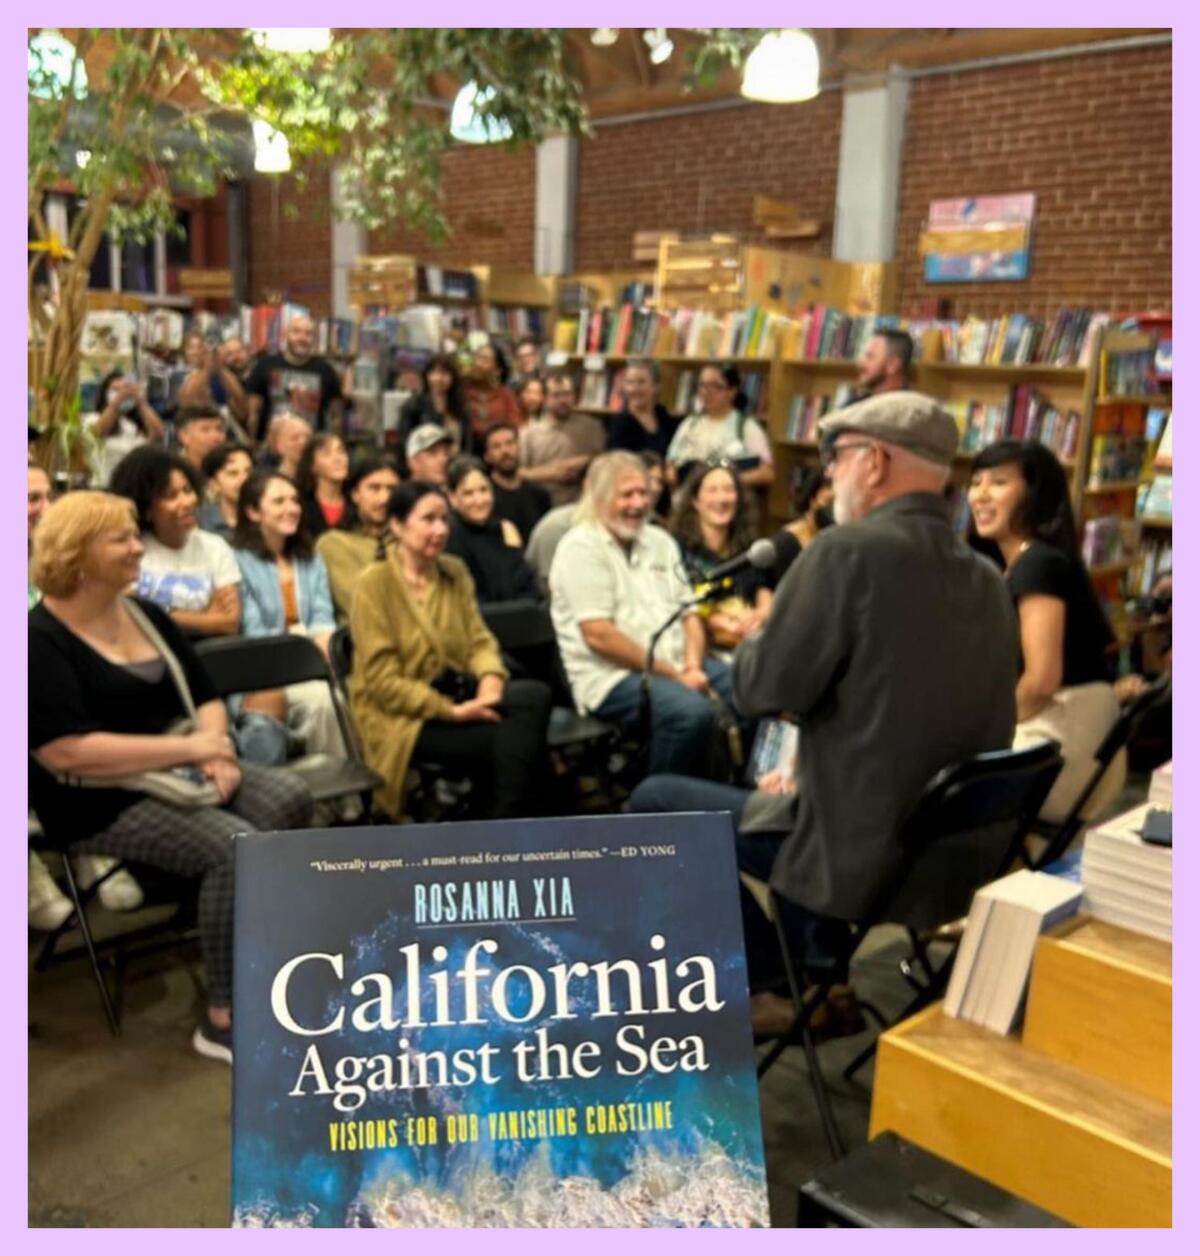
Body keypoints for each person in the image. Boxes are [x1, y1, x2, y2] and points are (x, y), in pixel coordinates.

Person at [29, 490, 313, 1062]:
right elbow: (66, 754)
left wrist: (218, 751)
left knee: (290, 796)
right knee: (231, 849)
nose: (139, 548)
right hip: (93, 799)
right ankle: (224, 1016)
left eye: (137, 534)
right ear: (78, 555)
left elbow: (203, 694)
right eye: (123, 539)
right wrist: (187, 749)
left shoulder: (146, 614)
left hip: (181, 766)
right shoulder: (36, 641)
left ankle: (262, 951)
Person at [347, 480, 551, 821]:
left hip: (459, 691)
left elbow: (479, 640)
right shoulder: (374, 585)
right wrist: (453, 712)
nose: (440, 529)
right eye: (428, 519)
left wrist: (490, 680)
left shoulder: (453, 571)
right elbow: (383, 684)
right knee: (515, 741)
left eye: (444, 519)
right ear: (397, 525)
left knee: (534, 696)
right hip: (405, 715)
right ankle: (510, 827)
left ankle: (497, 824)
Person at [549, 451, 741, 777]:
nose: (638, 504)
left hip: (681, 663)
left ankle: (740, 796)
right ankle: (657, 808)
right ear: (599, 496)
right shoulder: (579, 548)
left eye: (643, 493)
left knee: (749, 690)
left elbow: (689, 612)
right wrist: (676, 676)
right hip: (613, 677)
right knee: (690, 714)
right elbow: (599, 636)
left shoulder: (660, 541)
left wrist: (692, 666)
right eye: (626, 495)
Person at [968, 439, 1123, 822]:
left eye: (999, 482)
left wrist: (984, 730)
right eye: (975, 482)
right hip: (1076, 740)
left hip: (1059, 744)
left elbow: (1041, 680)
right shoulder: (1034, 560)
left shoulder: (1036, 564)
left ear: (1035, 495)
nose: (981, 495)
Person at [231, 469, 341, 760]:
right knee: (323, 700)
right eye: (278, 501)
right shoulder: (235, 560)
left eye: (294, 500)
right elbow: (253, 632)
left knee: (346, 693)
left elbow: (322, 616)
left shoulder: (311, 558)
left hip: (311, 662)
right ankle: (338, 800)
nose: (291, 508)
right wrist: (305, 648)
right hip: (263, 671)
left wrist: (323, 643)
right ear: (253, 512)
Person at [110, 446, 241, 638]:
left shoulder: (215, 547)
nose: (187, 502)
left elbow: (228, 623)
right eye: (171, 496)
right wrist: (206, 619)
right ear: (145, 507)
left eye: (187, 490)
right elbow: (130, 617)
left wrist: (160, 615)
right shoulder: (130, 550)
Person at [670, 460, 773, 653]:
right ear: (695, 501)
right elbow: (677, 603)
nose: (722, 499)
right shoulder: (676, 548)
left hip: (750, 642)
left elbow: (765, 592)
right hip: (699, 646)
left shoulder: (751, 548)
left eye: (728, 490)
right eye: (712, 490)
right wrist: (720, 623)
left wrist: (759, 616)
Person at [316, 454, 402, 620]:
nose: (384, 498)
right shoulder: (334, 543)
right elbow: (361, 605)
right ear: (355, 494)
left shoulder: (411, 541)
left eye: (392, 489)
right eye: (374, 488)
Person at [444, 456, 540, 604]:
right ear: (453, 498)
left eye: (484, 490)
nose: (479, 500)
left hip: (517, 617)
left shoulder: (505, 529)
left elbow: (527, 585)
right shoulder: (448, 537)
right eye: (468, 493)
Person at [665, 362, 774, 490]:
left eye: (715, 386)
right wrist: (679, 478)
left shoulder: (746, 427)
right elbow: (670, 467)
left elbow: (767, 473)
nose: (706, 392)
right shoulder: (689, 425)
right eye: (702, 385)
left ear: (732, 391)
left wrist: (724, 480)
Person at [245, 313, 344, 439]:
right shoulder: (264, 366)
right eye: (296, 332)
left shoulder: (326, 371)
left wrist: (335, 444)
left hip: (311, 448)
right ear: (285, 335)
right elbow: (253, 413)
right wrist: (252, 445)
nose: (302, 338)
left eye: (308, 334)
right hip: (273, 448)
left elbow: (336, 417)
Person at [518, 369, 606, 508]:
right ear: (545, 399)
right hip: (542, 503)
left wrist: (584, 461)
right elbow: (520, 473)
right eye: (556, 395)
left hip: (583, 503)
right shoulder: (529, 433)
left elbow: (605, 462)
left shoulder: (592, 427)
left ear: (574, 396)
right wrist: (552, 474)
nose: (562, 400)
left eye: (567, 394)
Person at [85, 369, 167, 486]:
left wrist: (141, 402)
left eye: (125, 389)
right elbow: (99, 432)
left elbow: (158, 433)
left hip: (134, 487)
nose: (122, 394)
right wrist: (117, 402)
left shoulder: (134, 425)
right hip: (104, 486)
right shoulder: (93, 418)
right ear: (105, 393)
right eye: (115, 389)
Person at [482, 422, 551, 540]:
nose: (505, 451)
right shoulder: (484, 497)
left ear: (519, 448)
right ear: (487, 456)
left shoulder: (540, 495)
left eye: (510, 443)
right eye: (497, 446)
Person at [398, 353, 470, 457]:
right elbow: (406, 442)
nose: (439, 378)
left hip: (456, 464)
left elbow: (467, 444)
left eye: (445, 373)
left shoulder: (462, 406)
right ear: (427, 376)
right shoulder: (414, 405)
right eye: (434, 373)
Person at [607, 359, 679, 462]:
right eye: (630, 382)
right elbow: (617, 462)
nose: (634, 389)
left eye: (641, 382)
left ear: (656, 386)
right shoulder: (620, 423)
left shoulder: (663, 416)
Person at [177, 331, 249, 426]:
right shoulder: (178, 375)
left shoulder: (218, 375)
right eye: (191, 348)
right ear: (184, 352)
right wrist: (207, 367)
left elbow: (242, 412)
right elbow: (186, 405)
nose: (196, 352)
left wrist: (220, 367)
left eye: (200, 347)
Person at [464, 341, 522, 442]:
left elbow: (515, 427)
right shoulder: (462, 389)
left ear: (497, 370)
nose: (478, 363)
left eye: (485, 360)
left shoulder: (506, 396)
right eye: (477, 357)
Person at [295, 431, 350, 537]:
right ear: (312, 465)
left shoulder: (357, 503)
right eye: (326, 454)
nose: (338, 459)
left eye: (341, 451)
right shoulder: (300, 505)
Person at [197, 442, 254, 541]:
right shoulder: (200, 522)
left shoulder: (266, 519)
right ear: (213, 484)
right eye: (233, 473)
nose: (244, 479)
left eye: (248, 471)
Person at [855, 328, 914, 398]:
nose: (859, 362)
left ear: (892, 365)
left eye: (869, 356)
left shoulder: (911, 407)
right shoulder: (858, 402)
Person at [175, 404, 228, 477]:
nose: (215, 436)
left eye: (219, 429)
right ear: (184, 436)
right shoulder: (172, 470)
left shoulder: (235, 465)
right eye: (205, 430)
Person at [263, 412, 313, 481]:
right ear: (278, 445)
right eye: (295, 438)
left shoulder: (319, 480)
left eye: (307, 437)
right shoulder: (271, 485)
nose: (303, 442)